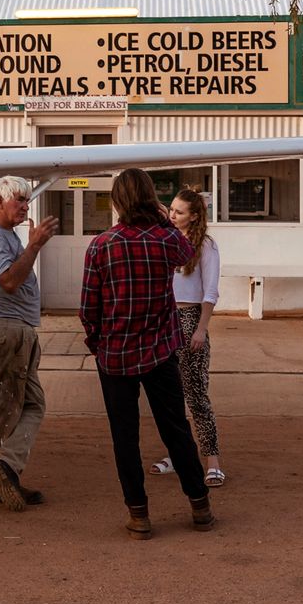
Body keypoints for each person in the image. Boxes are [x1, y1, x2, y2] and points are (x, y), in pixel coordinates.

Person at [79, 168, 213, 539]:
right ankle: (199, 504)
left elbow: (89, 308)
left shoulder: (102, 245)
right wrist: (160, 218)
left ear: (118, 201)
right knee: (175, 428)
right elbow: (186, 252)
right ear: (151, 200)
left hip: (116, 355)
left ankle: (139, 515)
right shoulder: (165, 239)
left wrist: (97, 344)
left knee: (125, 436)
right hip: (159, 352)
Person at [0, 175, 59, 511]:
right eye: (18, 200)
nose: (25, 206)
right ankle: (0, 472)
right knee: (7, 405)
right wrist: (34, 245)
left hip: (13, 329)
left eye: (26, 200)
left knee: (27, 404)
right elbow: (7, 280)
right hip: (6, 329)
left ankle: (1, 473)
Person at [151, 187, 226, 487]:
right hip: (164, 321)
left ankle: (213, 460)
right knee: (169, 396)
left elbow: (210, 290)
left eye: (179, 212)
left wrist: (201, 328)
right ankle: (177, 454)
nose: (173, 215)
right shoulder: (165, 240)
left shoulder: (205, 245)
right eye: (171, 209)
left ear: (194, 216)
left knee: (196, 394)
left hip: (191, 318)